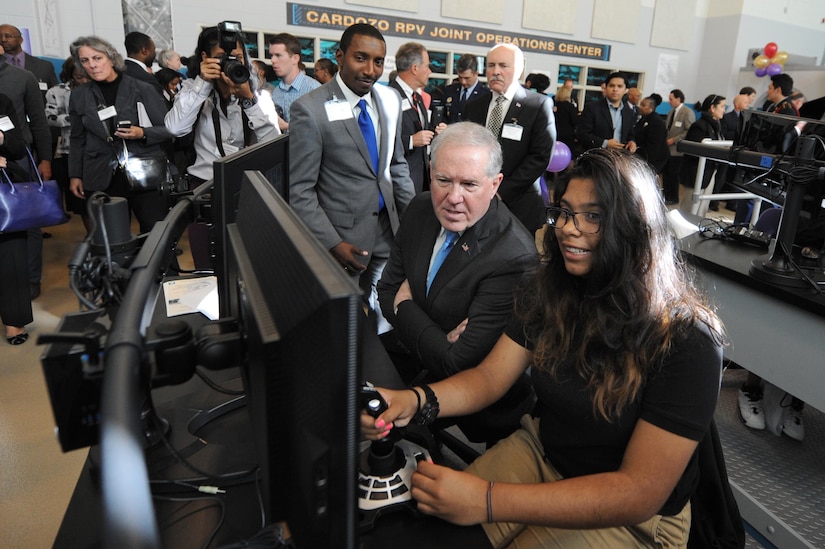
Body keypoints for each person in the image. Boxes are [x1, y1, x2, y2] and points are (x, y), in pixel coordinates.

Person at [363, 148, 724, 547]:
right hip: (541, 452)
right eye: (565, 213)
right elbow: (488, 379)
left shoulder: (688, 339)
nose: (569, 228)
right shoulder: (552, 290)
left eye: (593, 216)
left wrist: (486, 500)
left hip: (631, 515)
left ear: (633, 226)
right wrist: (413, 401)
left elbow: (638, 493)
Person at [377, 122, 538, 445]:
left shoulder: (514, 257)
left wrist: (406, 305)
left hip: (479, 407)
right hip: (410, 363)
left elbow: (456, 362)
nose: (453, 198)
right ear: (430, 172)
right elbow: (385, 291)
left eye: (469, 184)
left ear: (495, 185)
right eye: (443, 181)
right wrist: (438, 335)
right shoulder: (421, 208)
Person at [288, 23, 415, 334]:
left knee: (384, 316)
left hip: (388, 231)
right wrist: (331, 243)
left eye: (378, 61)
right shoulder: (310, 109)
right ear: (340, 56)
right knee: (340, 326)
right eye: (361, 58)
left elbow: (396, 165)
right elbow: (300, 190)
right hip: (343, 242)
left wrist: (413, 221)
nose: (370, 70)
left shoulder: (388, 100)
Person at [164, 25, 281, 269]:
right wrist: (203, 83)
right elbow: (174, 128)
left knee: (246, 267)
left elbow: (272, 146)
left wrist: (249, 99)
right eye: (220, 58)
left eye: (236, 58)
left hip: (246, 191)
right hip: (204, 190)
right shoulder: (193, 91)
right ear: (205, 59)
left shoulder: (260, 97)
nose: (229, 63)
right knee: (207, 265)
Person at [68, 36, 172, 234]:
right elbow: (77, 138)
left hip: (144, 172)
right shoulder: (80, 95)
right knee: (112, 237)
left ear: (111, 57)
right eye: (85, 61)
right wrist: (75, 175)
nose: (92, 65)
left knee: (154, 234)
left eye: (97, 58)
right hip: (100, 172)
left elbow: (169, 129)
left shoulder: (143, 88)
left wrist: (142, 133)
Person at [464, 43, 556, 235]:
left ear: (519, 69)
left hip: (520, 204)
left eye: (503, 66)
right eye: (491, 65)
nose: (496, 71)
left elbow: (540, 156)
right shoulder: (473, 107)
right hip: (477, 203)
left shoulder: (538, 105)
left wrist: (500, 191)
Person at [0, 43, 55, 300]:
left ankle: (31, 278)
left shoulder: (22, 78)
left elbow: (39, 121)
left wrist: (45, 159)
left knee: (26, 221)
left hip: (19, 160)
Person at [0, 93, 33, 345]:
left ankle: (14, 321)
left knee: (11, 254)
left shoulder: (2, 100)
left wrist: (2, 137)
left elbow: (18, 147)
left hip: (4, 189)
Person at [45, 56, 89, 228]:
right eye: (79, 76)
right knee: (82, 201)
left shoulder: (97, 89)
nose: (84, 80)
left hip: (98, 150)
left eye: (87, 76)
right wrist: (76, 119)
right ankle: (94, 239)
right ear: (71, 75)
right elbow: (49, 117)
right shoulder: (56, 92)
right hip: (70, 150)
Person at [388, 42, 436, 194]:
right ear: (415, 68)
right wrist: (410, 141)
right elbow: (380, 138)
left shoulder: (418, 97)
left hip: (420, 180)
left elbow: (421, 131)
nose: (429, 71)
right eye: (427, 66)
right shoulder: (388, 96)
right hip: (399, 182)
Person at [679, 94, 726, 213]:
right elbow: (694, 151)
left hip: (709, 172)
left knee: (702, 208)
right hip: (696, 174)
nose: (724, 110)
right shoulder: (699, 126)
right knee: (690, 208)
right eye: (722, 106)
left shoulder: (716, 126)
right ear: (712, 108)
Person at [268, 32, 320, 131]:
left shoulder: (314, 89)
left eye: (278, 55)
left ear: (295, 58)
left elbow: (324, 128)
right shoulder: (276, 93)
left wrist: (287, 127)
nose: (273, 60)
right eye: (271, 55)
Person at [576, 71, 637, 154]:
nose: (615, 89)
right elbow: (582, 134)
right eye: (611, 86)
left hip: (619, 157)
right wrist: (605, 143)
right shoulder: (592, 108)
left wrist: (632, 142)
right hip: (595, 156)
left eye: (619, 86)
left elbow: (630, 134)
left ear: (625, 90)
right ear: (606, 87)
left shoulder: (629, 112)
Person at [0, 24, 58, 98]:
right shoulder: (1, 65)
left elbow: (55, 96)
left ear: (20, 40)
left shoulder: (45, 66)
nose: (3, 40)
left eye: (8, 36)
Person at [663, 89, 695, 205]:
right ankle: (666, 195)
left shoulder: (687, 112)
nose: (669, 101)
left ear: (678, 99)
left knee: (674, 174)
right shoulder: (671, 112)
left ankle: (673, 197)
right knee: (666, 174)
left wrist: (674, 140)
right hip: (667, 149)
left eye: (671, 99)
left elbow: (688, 131)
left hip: (677, 150)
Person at [442, 53, 488, 124]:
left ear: (476, 74)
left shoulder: (485, 94)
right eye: (460, 77)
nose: (463, 82)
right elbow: (443, 115)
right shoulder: (450, 90)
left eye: (467, 78)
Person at [633, 96, 669, 176]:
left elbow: (655, 145)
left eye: (643, 105)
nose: (640, 107)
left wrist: (648, 163)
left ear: (651, 108)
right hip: (643, 156)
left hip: (654, 159)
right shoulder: (644, 118)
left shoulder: (656, 122)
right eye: (640, 104)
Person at [123, 31, 164, 96]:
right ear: (144, 51)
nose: (155, 54)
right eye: (153, 50)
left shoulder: (118, 71)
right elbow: (159, 104)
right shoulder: (147, 80)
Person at [552, 85, 578, 156]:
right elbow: (574, 121)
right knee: (568, 154)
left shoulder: (554, 105)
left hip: (555, 133)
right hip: (568, 135)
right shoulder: (570, 106)